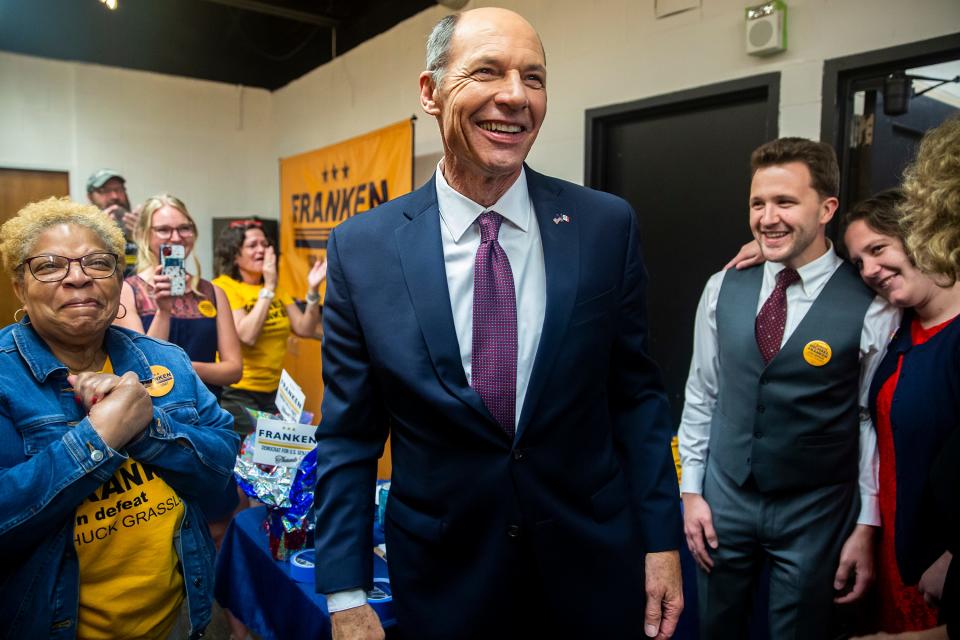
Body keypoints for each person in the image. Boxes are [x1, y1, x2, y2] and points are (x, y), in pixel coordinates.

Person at [314, 8, 683, 640]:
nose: (515, 97)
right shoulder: (363, 248)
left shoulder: (604, 227)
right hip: (444, 576)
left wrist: (661, 539)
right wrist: (345, 591)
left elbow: (636, 399)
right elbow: (350, 436)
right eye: (487, 71)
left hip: (590, 564)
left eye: (533, 78)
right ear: (431, 92)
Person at [677, 138, 900, 639]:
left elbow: (869, 419)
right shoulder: (722, 286)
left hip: (816, 511)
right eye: (758, 203)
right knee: (715, 627)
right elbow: (701, 394)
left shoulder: (872, 303)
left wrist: (865, 523)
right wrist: (691, 492)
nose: (768, 217)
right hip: (725, 498)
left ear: (826, 208)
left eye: (785, 202)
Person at [0, 197, 240, 638]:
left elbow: (221, 465)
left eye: (98, 263)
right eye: (50, 266)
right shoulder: (4, 378)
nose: (78, 278)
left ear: (118, 278)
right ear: (19, 285)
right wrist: (98, 438)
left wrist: (148, 430)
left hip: (178, 619)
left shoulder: (164, 359)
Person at [852, 115, 960, 640]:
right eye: (859, 262)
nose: (869, 270)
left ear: (920, 233)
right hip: (893, 539)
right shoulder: (895, 326)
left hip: (942, 559)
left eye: (878, 249)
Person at [115, 194, 242, 400]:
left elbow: (234, 370)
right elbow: (145, 366)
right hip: (154, 414)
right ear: (145, 235)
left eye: (184, 228)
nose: (176, 238)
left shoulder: (213, 292)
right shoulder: (128, 291)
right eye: (164, 229)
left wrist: (181, 366)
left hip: (207, 412)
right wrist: (163, 311)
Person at [212, 221, 325, 433]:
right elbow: (247, 334)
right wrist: (269, 288)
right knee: (249, 462)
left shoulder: (275, 288)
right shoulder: (224, 286)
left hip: (274, 392)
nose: (261, 250)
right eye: (252, 245)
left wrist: (313, 290)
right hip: (237, 393)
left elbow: (304, 328)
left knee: (275, 461)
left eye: (265, 244)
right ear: (235, 254)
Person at [86, 168, 139, 277]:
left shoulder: (140, 225)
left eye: (119, 189)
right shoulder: (81, 230)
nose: (114, 196)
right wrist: (97, 234)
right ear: (90, 197)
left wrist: (145, 236)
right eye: (105, 191)